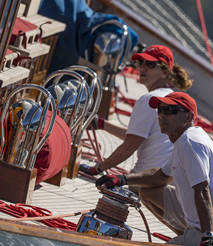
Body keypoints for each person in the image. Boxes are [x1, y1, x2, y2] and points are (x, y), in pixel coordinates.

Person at [96, 92, 213, 246]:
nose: (162, 115)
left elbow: (202, 190)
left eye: (171, 111)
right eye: (160, 110)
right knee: (147, 192)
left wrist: (207, 237)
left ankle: (193, 239)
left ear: (188, 117)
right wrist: (122, 179)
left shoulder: (189, 142)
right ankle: (188, 236)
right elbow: (160, 176)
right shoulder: (185, 139)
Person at [79, 45, 193, 189]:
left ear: (164, 73)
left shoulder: (148, 99)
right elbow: (139, 137)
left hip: (144, 183)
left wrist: (97, 169)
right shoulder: (169, 97)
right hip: (166, 183)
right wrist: (102, 124)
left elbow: (129, 146)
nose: (143, 68)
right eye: (141, 63)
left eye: (150, 64)